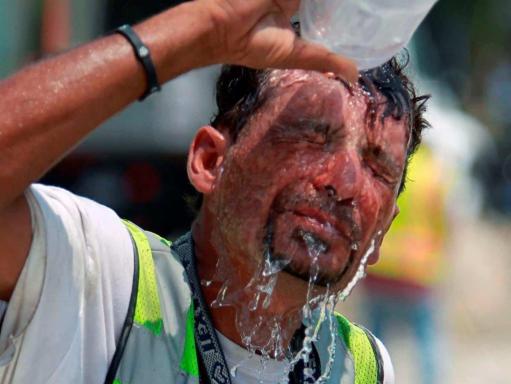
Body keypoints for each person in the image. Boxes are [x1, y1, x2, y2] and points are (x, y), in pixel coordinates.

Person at [0, 0, 428, 383]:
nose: (345, 182)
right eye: (311, 136)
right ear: (209, 161)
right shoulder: (100, 279)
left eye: (376, 167)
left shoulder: (363, 367)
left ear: (381, 233)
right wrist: (204, 31)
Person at [363, 144, 448, 384]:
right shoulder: (434, 172)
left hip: (382, 266)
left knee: (375, 338)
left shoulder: (390, 166)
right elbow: (443, 221)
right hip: (418, 269)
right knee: (426, 340)